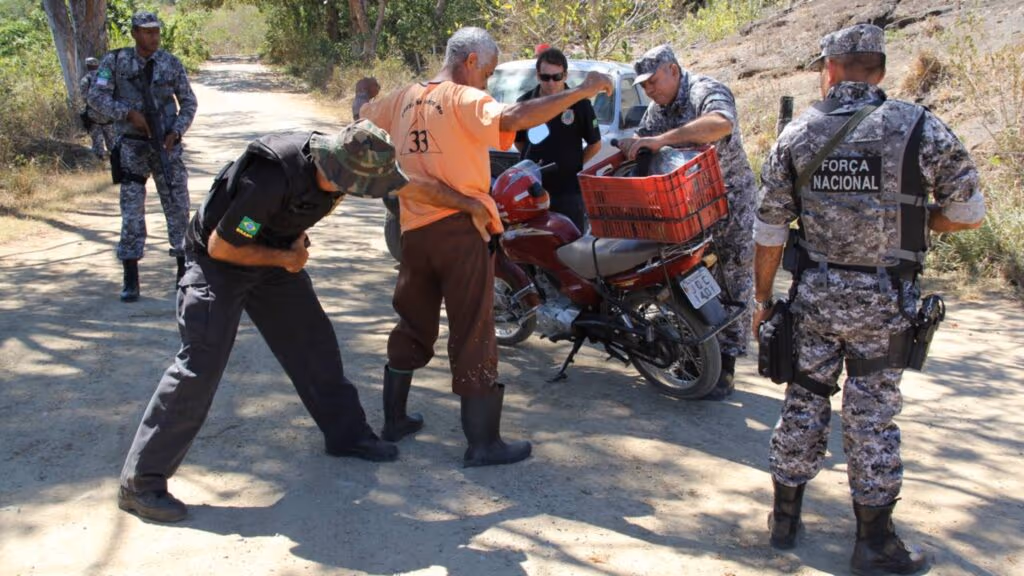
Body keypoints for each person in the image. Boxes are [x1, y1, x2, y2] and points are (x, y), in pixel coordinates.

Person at [753, 24, 985, 574]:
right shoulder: (918, 126)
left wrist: (763, 299)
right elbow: (969, 212)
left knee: (803, 400)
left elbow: (768, 230)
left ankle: (784, 522)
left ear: (828, 71)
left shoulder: (797, 134)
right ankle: (873, 544)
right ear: (880, 72)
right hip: (885, 303)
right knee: (871, 418)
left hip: (814, 297)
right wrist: (916, 224)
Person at [117, 121, 408, 523]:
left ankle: (347, 436)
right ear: (338, 171)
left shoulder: (337, 171)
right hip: (217, 262)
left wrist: (291, 246)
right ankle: (140, 483)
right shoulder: (271, 178)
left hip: (271, 256)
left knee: (313, 342)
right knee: (200, 364)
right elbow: (224, 246)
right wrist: (286, 258)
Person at [355, 27, 612, 467]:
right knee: (474, 329)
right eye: (488, 72)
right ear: (471, 61)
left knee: (411, 323)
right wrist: (582, 91)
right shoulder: (463, 98)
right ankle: (482, 443)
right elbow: (513, 118)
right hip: (461, 230)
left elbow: (360, 116)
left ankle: (393, 420)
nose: (488, 83)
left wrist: (364, 88)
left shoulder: (402, 98)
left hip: (412, 232)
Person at [615, 44, 757, 401]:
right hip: (686, 209)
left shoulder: (705, 90)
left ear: (673, 70)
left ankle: (725, 367)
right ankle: (696, 357)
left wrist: (662, 140)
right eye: (643, 86)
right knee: (690, 280)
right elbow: (643, 144)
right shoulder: (655, 110)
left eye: (653, 82)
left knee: (733, 281)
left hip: (729, 204)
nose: (649, 90)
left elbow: (720, 124)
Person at [88, 11, 198, 303]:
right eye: (147, 32)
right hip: (133, 147)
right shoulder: (114, 61)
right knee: (132, 212)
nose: (153, 37)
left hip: (166, 146)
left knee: (177, 207)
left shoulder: (170, 63)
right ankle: (131, 277)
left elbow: (188, 101)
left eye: (157, 32)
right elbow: (96, 97)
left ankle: (182, 272)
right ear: (135, 33)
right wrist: (128, 114)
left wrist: (176, 130)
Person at [513, 47, 601, 233]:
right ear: (538, 76)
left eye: (557, 77)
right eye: (546, 77)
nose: (551, 83)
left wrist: (574, 164)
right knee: (532, 246)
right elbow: (519, 141)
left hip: (568, 191)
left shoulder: (580, 103)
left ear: (565, 75)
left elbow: (595, 144)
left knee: (570, 248)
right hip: (532, 189)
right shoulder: (524, 103)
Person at [79, 57, 114, 160]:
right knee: (112, 139)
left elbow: (84, 97)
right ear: (98, 65)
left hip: (94, 115)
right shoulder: (105, 76)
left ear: (87, 66)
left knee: (97, 139)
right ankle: (116, 158)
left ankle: (100, 159)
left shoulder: (86, 79)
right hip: (108, 113)